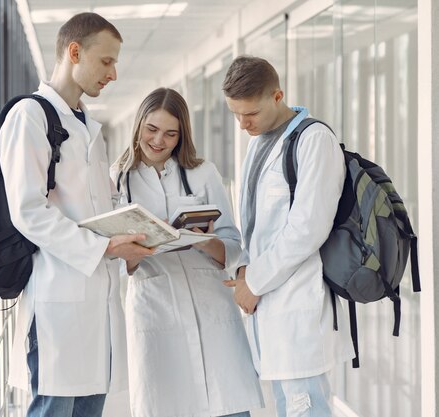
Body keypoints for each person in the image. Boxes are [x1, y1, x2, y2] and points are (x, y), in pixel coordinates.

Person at [0, 12, 154, 417]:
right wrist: (102, 248)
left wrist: (134, 233)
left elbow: (97, 207)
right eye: (106, 61)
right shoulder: (29, 117)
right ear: (74, 52)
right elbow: (27, 211)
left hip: (94, 305)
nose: (114, 74)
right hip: (55, 302)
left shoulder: (87, 125)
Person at [111, 87, 264, 417]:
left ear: (181, 136)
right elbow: (111, 260)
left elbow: (235, 248)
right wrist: (134, 253)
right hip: (155, 308)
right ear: (138, 125)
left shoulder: (203, 172)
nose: (158, 141)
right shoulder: (117, 179)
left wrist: (205, 240)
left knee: (229, 407)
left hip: (210, 307)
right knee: (167, 405)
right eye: (151, 130)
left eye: (170, 134)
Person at [221, 55, 355, 417]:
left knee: (305, 407)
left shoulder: (314, 140)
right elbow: (254, 223)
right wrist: (246, 271)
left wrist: (256, 282)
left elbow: (307, 230)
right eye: (235, 114)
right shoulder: (258, 142)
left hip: (297, 304)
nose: (242, 124)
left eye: (250, 114)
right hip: (268, 304)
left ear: (277, 96)